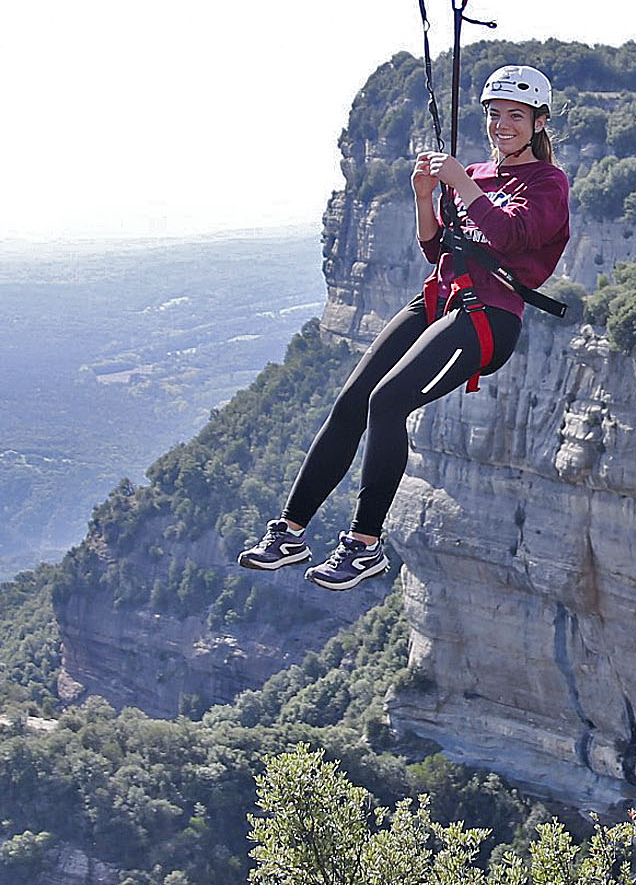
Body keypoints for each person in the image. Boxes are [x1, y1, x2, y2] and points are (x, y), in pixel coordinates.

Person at [239, 64, 571, 591]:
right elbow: (437, 247)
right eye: (495, 115)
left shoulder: (547, 183)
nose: (502, 125)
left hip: (487, 318)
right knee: (351, 403)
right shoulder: (480, 175)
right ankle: (290, 532)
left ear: (538, 122)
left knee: (387, 402)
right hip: (439, 299)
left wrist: (459, 181)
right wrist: (424, 196)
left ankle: (363, 546)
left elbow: (509, 237)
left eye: (516, 116)